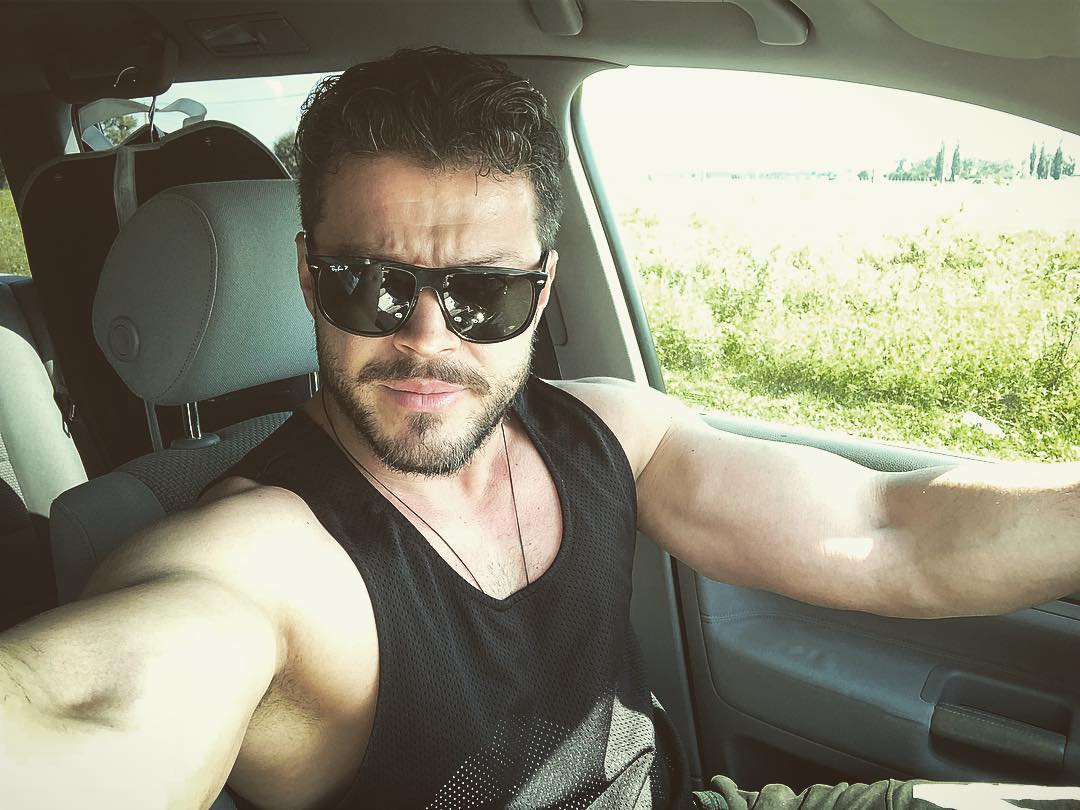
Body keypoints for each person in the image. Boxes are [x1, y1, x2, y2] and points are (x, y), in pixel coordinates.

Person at [1, 46, 1077, 810]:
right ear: (305, 276)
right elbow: (91, 705)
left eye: (485, 293)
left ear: (545, 287)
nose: (426, 339)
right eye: (372, 284)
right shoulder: (263, 554)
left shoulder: (611, 431)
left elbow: (887, 529)